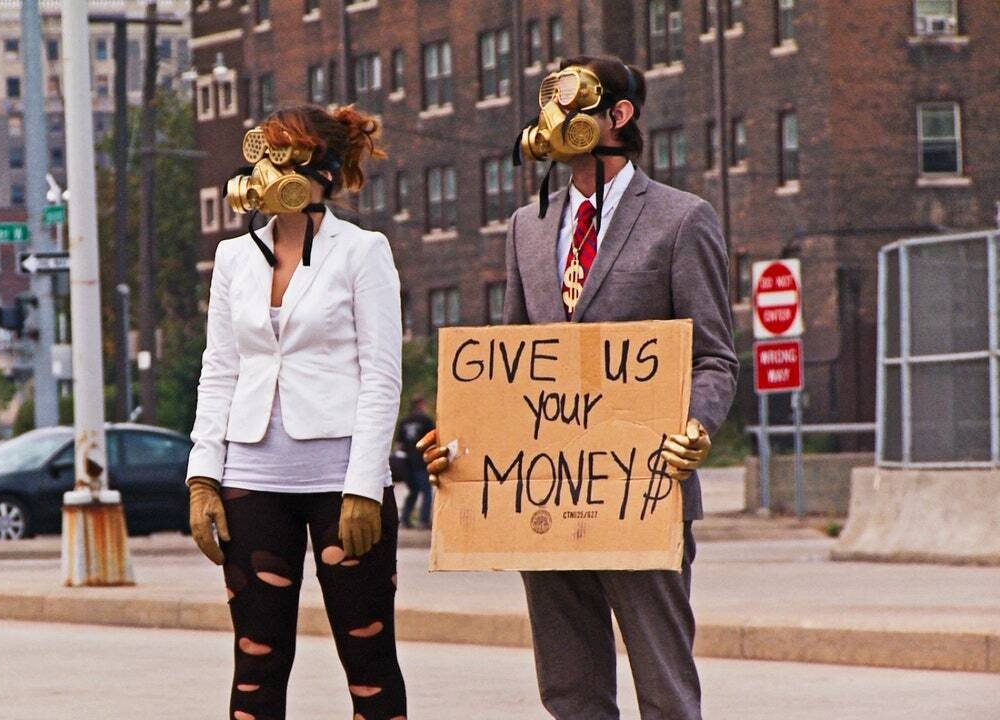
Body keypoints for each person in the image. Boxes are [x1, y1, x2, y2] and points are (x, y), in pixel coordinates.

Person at [420, 55, 738, 720]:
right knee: (569, 689)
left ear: (620, 115)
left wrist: (696, 427)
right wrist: (463, 440)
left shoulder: (682, 219)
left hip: (643, 487)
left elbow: (714, 356)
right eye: (549, 102)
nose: (555, 118)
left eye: (573, 102)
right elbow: (510, 362)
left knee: (665, 686)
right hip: (544, 493)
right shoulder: (526, 226)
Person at [186, 104, 408, 720]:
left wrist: (364, 485)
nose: (265, 169)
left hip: (341, 481)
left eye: (282, 154)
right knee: (256, 661)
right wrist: (203, 478)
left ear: (322, 171)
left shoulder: (362, 251)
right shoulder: (234, 257)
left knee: (368, 659)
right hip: (251, 480)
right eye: (262, 152)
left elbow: (381, 375)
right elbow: (220, 369)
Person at [396, 397, 435, 529]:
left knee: (413, 491)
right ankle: (423, 520)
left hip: (406, 462)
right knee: (426, 492)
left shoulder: (405, 421)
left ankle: (405, 519)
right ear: (421, 405)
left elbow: (399, 444)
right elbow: (433, 438)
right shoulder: (426, 421)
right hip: (422, 461)